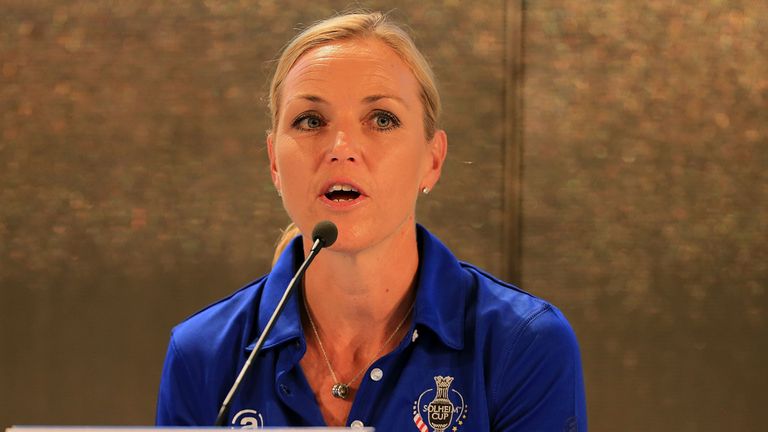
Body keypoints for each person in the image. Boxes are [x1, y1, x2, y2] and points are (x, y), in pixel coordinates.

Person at [156, 11, 587, 431]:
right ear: (273, 162)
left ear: (432, 160)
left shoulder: (524, 343)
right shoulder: (203, 353)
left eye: (382, 120)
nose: (341, 148)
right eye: (311, 121)